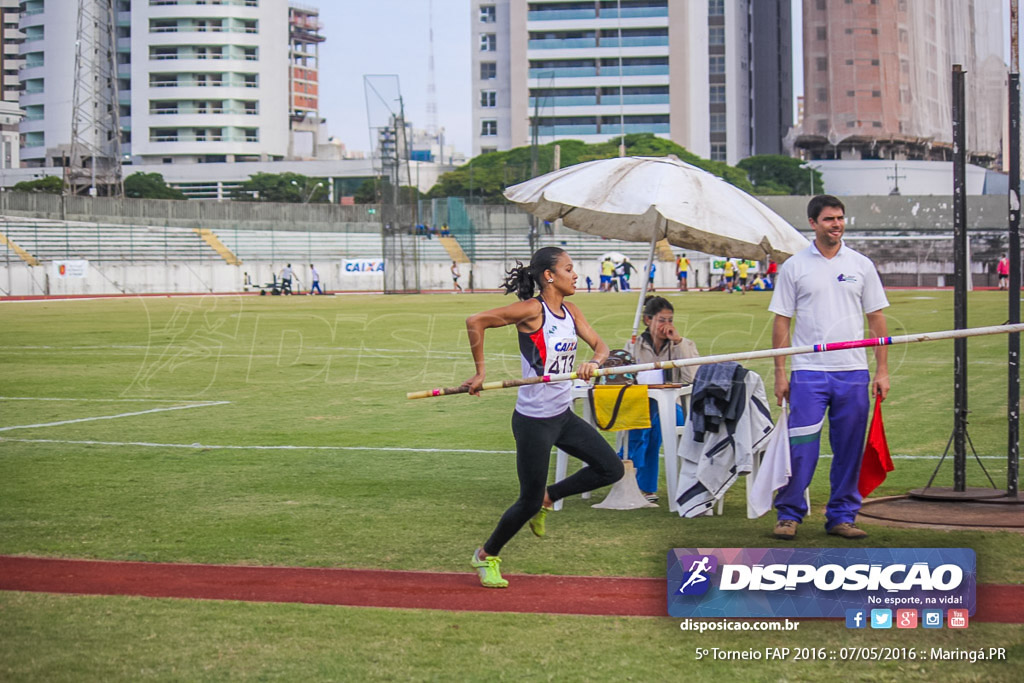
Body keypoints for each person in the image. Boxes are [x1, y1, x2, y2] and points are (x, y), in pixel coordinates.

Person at [462, 247, 625, 588]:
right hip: (534, 422)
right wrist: (479, 373)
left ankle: (549, 499)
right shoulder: (532, 311)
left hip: (562, 417)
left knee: (611, 469)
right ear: (549, 276)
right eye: (569, 268)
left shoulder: (572, 311)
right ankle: (485, 555)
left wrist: (594, 362)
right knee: (527, 501)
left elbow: (602, 347)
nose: (575, 274)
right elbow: (475, 321)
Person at [769, 194, 890, 541]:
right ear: (813, 223)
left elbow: (877, 318)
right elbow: (782, 322)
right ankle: (789, 514)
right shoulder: (794, 266)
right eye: (828, 219)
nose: (836, 224)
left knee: (849, 448)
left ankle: (842, 516)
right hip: (808, 373)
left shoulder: (861, 265)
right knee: (801, 449)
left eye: (840, 218)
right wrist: (781, 372)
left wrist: (881, 370)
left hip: (852, 373)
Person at [621, 296, 699, 501]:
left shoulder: (682, 345)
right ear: (648, 320)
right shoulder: (633, 345)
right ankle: (633, 480)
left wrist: (679, 342)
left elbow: (691, 377)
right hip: (639, 403)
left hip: (672, 405)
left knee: (654, 424)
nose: (667, 325)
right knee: (645, 423)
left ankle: (641, 484)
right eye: (662, 320)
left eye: (670, 320)